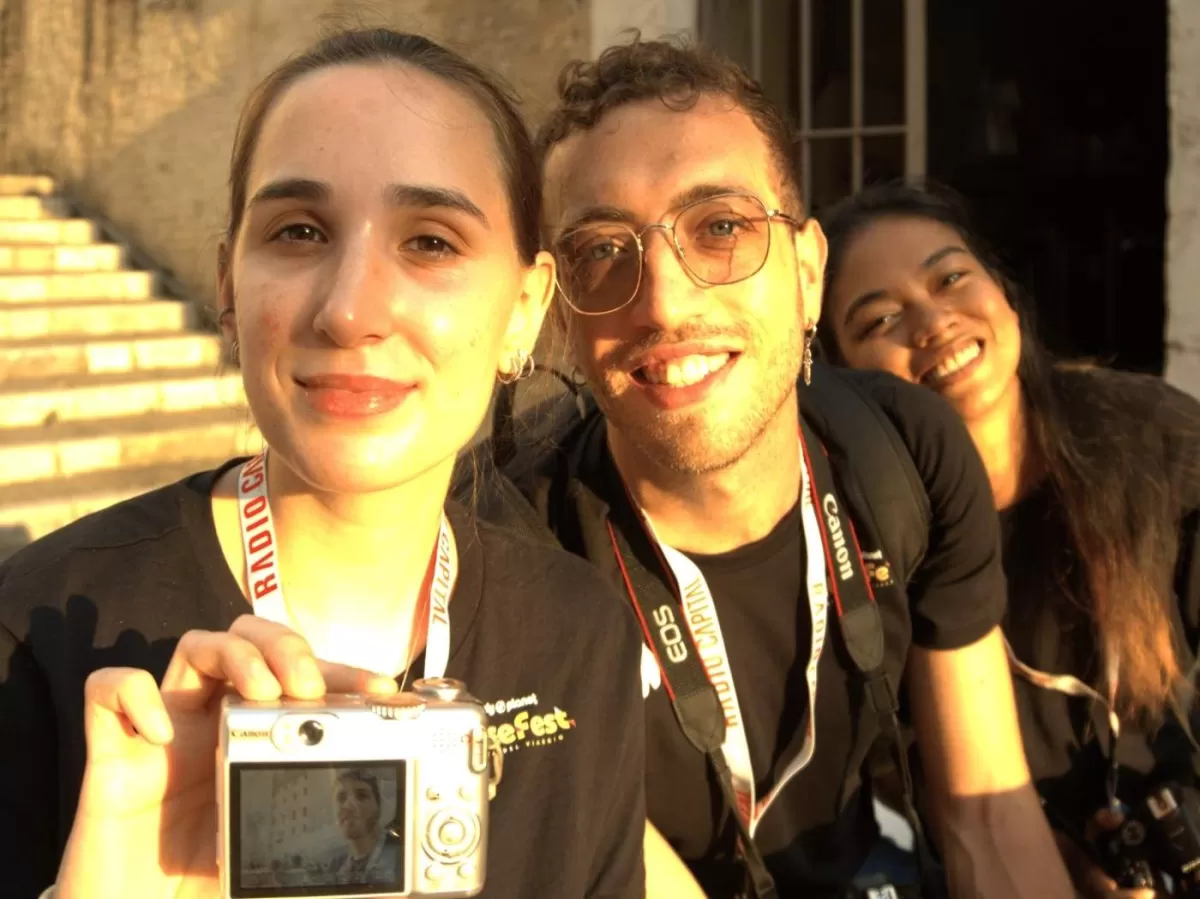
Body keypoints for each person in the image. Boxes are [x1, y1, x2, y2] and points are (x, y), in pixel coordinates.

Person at [0, 28, 646, 899]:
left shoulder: (582, 637)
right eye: (299, 231)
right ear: (229, 286)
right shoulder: (33, 638)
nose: (349, 312)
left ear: (525, 309)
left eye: (430, 242)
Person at [488, 35, 1076, 899]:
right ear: (564, 316)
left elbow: (987, 813)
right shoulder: (522, 560)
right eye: (603, 252)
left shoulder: (903, 453)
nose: (666, 301)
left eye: (720, 227)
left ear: (808, 272)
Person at [819, 181, 1200, 899]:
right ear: (843, 380)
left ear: (1005, 293)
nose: (932, 321)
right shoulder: (858, 549)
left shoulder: (1152, 441)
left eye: (951, 277)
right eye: (879, 320)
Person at [329, 769, 400, 886]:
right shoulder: (335, 867)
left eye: (362, 796)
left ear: (378, 807)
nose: (349, 805)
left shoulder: (403, 857)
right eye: (341, 798)